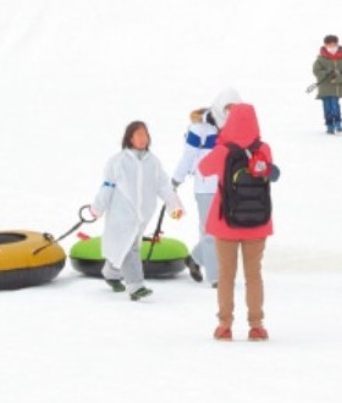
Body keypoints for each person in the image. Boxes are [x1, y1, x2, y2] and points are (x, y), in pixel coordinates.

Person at [197, 102, 278, 341]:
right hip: (258, 224)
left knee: (226, 275)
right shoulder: (264, 149)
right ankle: (257, 325)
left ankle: (224, 325)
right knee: (254, 275)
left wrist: (220, 142)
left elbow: (203, 169)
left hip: (226, 223)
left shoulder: (223, 151)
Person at [90, 120, 184, 301]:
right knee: (129, 248)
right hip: (121, 214)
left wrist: (175, 206)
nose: (143, 138)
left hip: (142, 216)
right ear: (130, 138)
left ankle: (110, 273)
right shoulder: (117, 162)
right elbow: (107, 187)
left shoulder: (153, 162)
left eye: (145, 135)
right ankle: (136, 286)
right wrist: (97, 208)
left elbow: (164, 186)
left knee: (123, 246)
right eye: (138, 134)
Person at [170, 87, 240, 288]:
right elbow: (188, 156)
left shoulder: (235, 128)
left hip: (228, 186)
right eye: (227, 107)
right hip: (205, 187)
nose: (230, 112)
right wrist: (175, 180)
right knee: (210, 232)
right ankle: (216, 277)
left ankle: (194, 257)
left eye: (234, 108)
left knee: (225, 230)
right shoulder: (199, 129)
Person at [312, 34, 342, 134]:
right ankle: (329, 124)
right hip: (325, 88)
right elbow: (316, 71)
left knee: (335, 105)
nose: (332, 47)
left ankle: (338, 123)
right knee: (327, 106)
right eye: (329, 45)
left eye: (334, 45)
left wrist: (340, 78)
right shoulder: (320, 59)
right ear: (325, 45)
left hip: (337, 87)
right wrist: (327, 72)